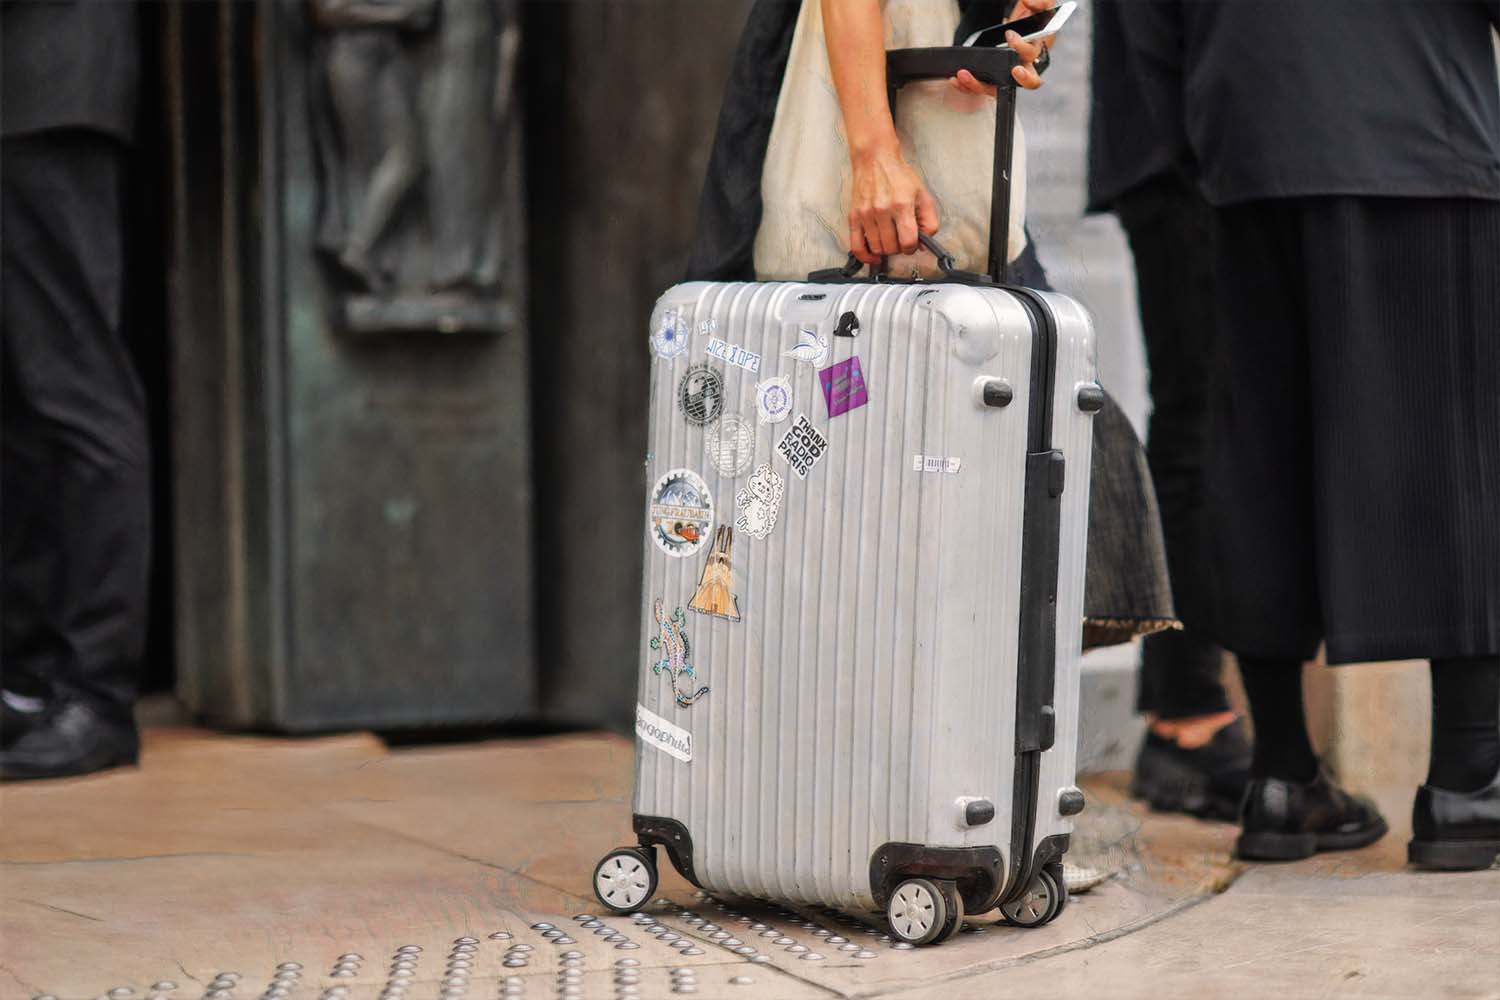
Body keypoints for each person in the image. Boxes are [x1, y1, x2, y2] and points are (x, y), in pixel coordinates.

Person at [687, 0, 1179, 650]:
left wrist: (1016, 28)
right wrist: (872, 155)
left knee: (945, 457)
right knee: (839, 456)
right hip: (866, 128)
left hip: (931, 126)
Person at [1175, 0, 1500, 868]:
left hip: (1248, 136)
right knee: (1460, 462)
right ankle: (1468, 784)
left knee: (1260, 460)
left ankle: (1282, 779)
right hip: (1415, 124)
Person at [1086, 0, 1250, 821]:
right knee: (1203, 424)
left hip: (1183, 141)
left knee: (1205, 422)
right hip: (1187, 151)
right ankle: (1186, 715)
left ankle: (1183, 704)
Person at [1, 1, 149, 780]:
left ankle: (97, 695)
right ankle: (28, 682)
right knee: (22, 409)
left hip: (47, 86)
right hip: (24, 97)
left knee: (77, 391)